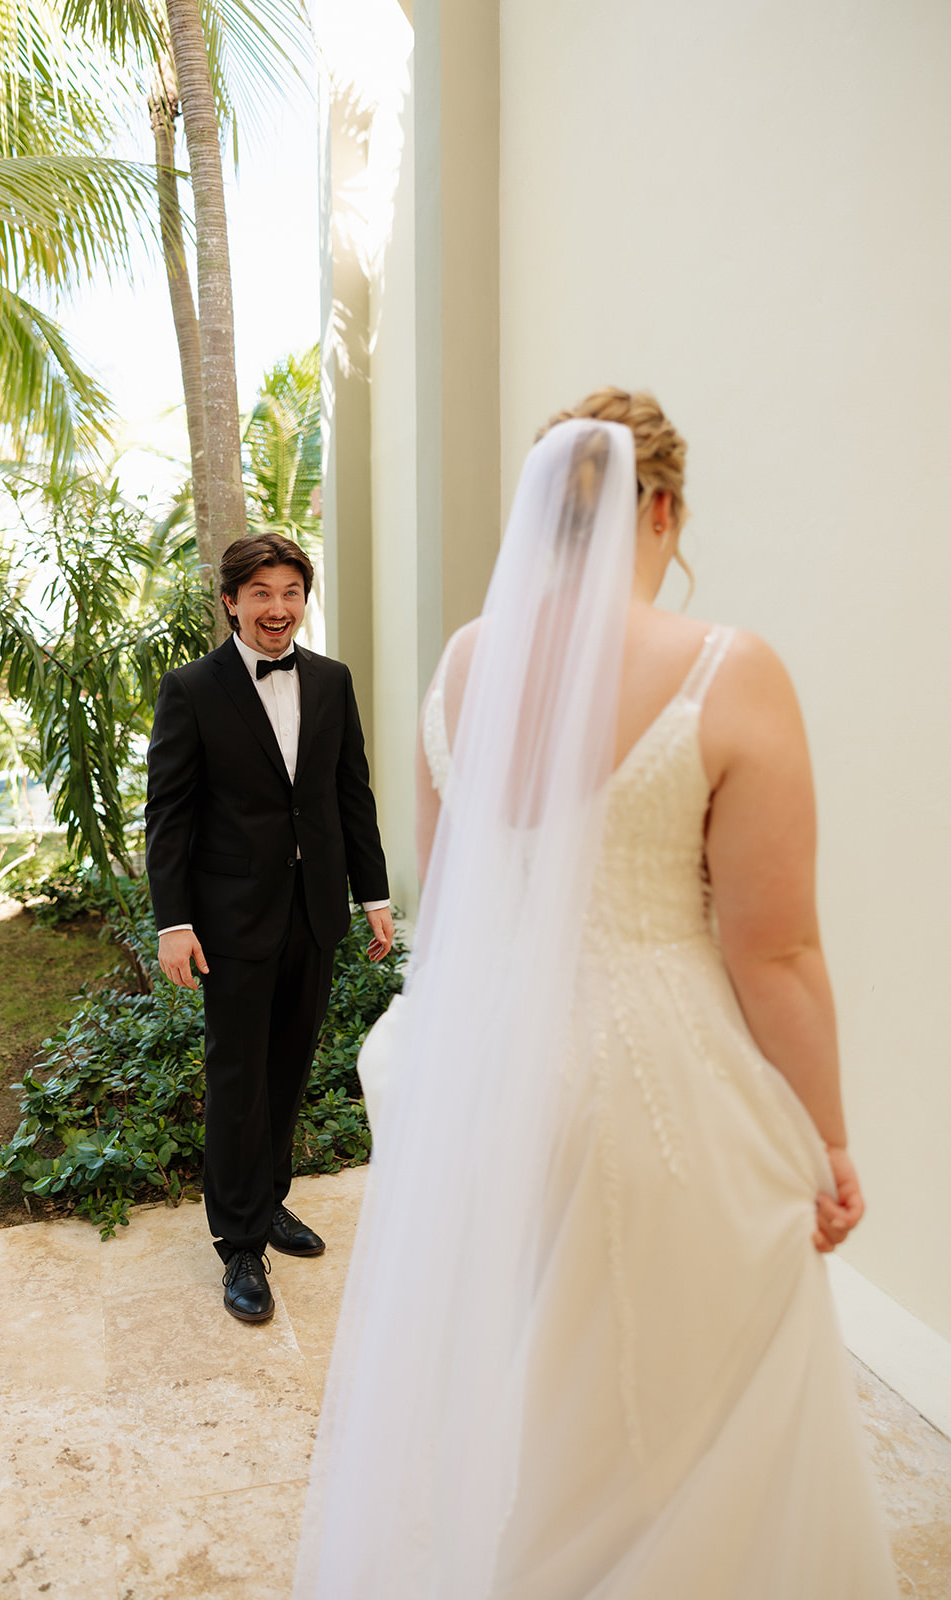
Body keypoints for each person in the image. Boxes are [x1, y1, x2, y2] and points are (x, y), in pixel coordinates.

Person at [293, 393, 898, 1597]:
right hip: (657, 1094)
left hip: (494, 1092)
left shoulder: (464, 665)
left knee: (552, 1405)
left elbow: (454, 905)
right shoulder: (726, 666)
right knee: (689, 1420)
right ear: (661, 507)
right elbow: (771, 952)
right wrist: (825, 1138)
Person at [144, 531, 393, 1325]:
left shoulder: (330, 680)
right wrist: (173, 922)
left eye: (289, 591)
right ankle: (239, 1243)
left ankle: (270, 1200)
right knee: (237, 1078)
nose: (277, 607)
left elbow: (348, 792)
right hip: (230, 920)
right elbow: (170, 816)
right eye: (260, 593)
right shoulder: (190, 690)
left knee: (287, 1070)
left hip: (313, 909)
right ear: (229, 601)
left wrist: (374, 895)